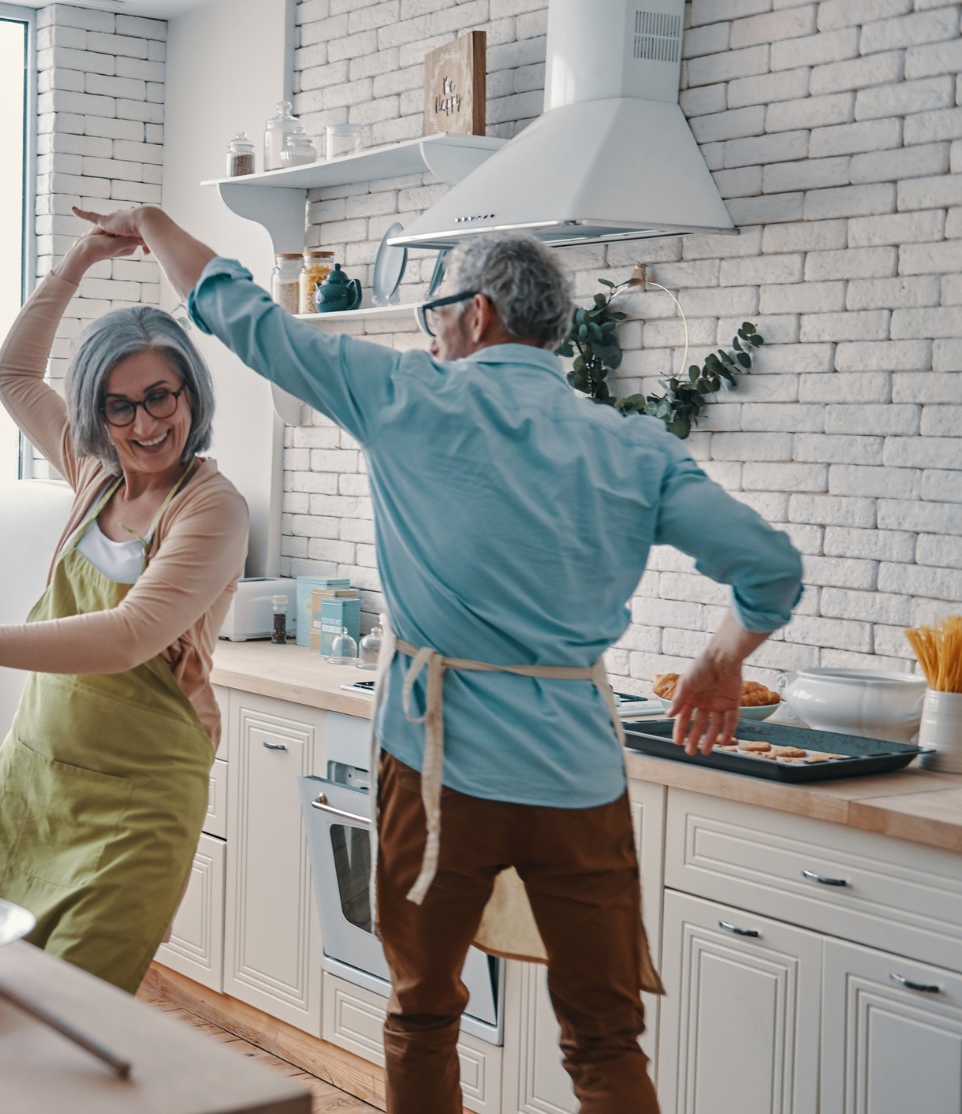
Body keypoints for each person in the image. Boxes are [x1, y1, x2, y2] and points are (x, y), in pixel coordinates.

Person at [72, 205, 803, 1112]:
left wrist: (152, 224)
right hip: (576, 778)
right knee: (605, 1039)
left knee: (422, 1014)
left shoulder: (405, 396)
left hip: (434, 772)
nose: (432, 329)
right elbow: (771, 571)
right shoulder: (630, 445)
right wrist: (723, 658)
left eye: (435, 309)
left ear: (479, 314)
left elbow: (241, 313)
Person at [0, 227, 249, 995]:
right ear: (97, 414)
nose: (145, 426)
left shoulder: (210, 509)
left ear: (190, 394)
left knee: (72, 1011)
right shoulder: (95, 473)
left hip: (136, 804)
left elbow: (130, 635)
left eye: (161, 397)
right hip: (33, 784)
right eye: (120, 407)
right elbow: (13, 373)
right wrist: (77, 263)